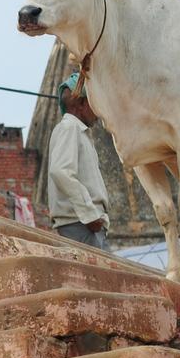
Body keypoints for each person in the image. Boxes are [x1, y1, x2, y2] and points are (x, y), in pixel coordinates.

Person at [48, 72, 110, 250]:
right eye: (93, 103)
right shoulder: (69, 128)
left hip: (87, 225)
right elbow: (60, 171)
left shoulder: (77, 131)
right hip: (81, 225)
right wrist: (90, 216)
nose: (97, 111)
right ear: (81, 103)